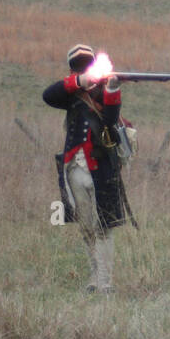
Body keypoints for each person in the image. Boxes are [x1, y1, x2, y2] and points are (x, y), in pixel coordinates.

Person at [43, 43, 129, 294]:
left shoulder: (103, 92)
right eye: (79, 68)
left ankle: (105, 282)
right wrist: (81, 80)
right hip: (74, 169)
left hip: (101, 168)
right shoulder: (70, 92)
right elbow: (49, 95)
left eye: (87, 66)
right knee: (87, 226)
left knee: (104, 226)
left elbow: (112, 120)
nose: (85, 70)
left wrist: (112, 89)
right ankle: (94, 276)